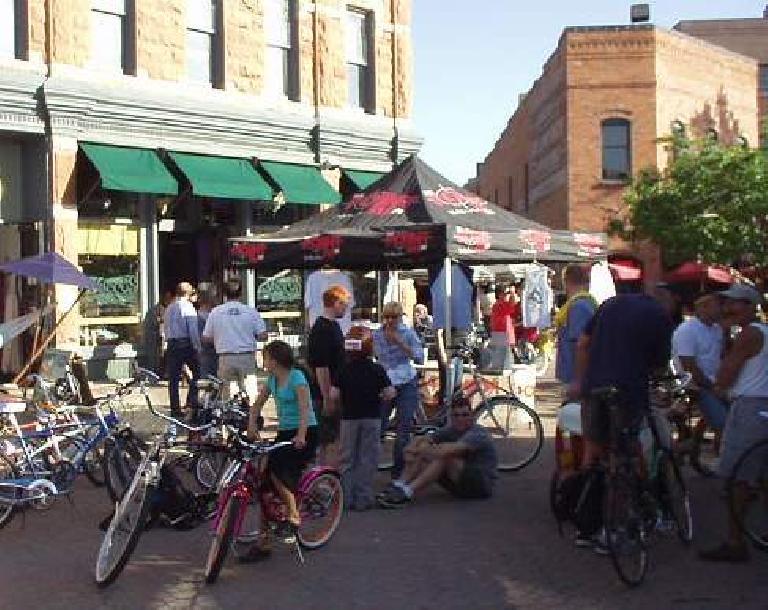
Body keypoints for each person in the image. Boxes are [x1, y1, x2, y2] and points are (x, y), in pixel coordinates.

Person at [572, 289, 674, 549]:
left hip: (594, 387)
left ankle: (585, 524)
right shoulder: (660, 317)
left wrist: (582, 384)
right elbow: (660, 367)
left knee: (592, 453)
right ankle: (614, 530)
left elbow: (582, 343)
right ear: (669, 304)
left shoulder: (609, 304)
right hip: (627, 392)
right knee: (622, 457)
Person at [699, 284, 768, 563]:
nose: (727, 309)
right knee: (760, 474)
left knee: (735, 476)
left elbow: (727, 372)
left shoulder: (750, 334)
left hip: (750, 408)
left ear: (750, 307)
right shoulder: (762, 332)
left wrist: (716, 389)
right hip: (762, 406)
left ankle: (735, 541)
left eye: (734, 304)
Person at [247, 341, 319, 545]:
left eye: (266, 357)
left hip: (305, 431)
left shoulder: (297, 377)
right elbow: (257, 405)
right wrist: (252, 425)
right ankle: (264, 541)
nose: (264, 361)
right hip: (284, 432)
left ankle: (294, 515)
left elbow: (305, 408)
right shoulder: (272, 380)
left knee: (277, 472)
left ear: (275, 360)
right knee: (263, 484)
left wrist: (302, 435)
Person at [377, 402, 498, 508]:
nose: (460, 418)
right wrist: (411, 448)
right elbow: (424, 438)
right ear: (451, 417)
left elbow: (448, 450)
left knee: (443, 456)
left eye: (465, 415)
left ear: (472, 416)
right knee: (424, 446)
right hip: (459, 483)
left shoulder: (478, 433)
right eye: (456, 415)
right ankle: (399, 484)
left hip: (481, 485)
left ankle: (407, 492)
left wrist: (417, 451)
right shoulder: (451, 430)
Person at [331, 326, 396, 511]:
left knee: (347, 458)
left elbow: (334, 395)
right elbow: (390, 393)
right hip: (372, 417)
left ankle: (346, 497)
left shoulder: (343, 370)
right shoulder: (377, 369)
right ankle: (363, 497)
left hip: (349, 418)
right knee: (368, 458)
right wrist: (381, 396)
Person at [374, 301, 425, 481]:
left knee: (404, 428)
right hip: (386, 383)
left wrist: (400, 343)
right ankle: (370, 468)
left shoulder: (408, 333)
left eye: (393, 317)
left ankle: (398, 474)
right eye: (386, 317)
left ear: (400, 317)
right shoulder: (378, 334)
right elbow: (380, 358)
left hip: (406, 381)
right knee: (378, 425)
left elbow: (420, 357)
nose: (389, 321)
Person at [202, 279, 267, 402]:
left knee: (228, 395)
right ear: (241, 293)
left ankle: (230, 419)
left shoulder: (216, 312)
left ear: (225, 294)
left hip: (225, 357)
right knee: (250, 393)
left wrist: (220, 338)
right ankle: (250, 418)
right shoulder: (250, 311)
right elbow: (263, 335)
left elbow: (206, 337)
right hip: (246, 357)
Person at [306, 285, 351, 463]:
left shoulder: (333, 326)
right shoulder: (322, 329)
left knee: (333, 438)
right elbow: (321, 366)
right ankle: (325, 475)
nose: (346, 308)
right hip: (326, 392)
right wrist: (327, 397)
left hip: (334, 390)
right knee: (327, 440)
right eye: (344, 304)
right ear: (336, 303)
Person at [672, 293, 728, 431]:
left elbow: (721, 356)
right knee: (723, 422)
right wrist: (712, 387)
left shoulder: (717, 329)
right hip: (696, 384)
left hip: (716, 382)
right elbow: (688, 365)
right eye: (718, 306)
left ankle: (697, 437)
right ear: (703, 307)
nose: (722, 309)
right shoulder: (687, 330)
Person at [555, 264, 596, 393]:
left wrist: (578, 381)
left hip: (574, 377)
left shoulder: (578, 306)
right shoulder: (585, 303)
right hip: (577, 375)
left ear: (566, 281)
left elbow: (581, 345)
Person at [163, 282, 201, 418]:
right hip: (185, 344)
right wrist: (197, 346)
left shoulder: (169, 308)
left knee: (173, 379)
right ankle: (191, 403)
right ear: (188, 293)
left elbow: (165, 328)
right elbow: (192, 330)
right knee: (198, 373)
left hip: (172, 344)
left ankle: (175, 409)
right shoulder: (188, 307)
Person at [196, 289, 219, 380]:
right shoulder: (199, 318)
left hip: (211, 354)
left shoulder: (212, 315)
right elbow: (201, 338)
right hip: (207, 354)